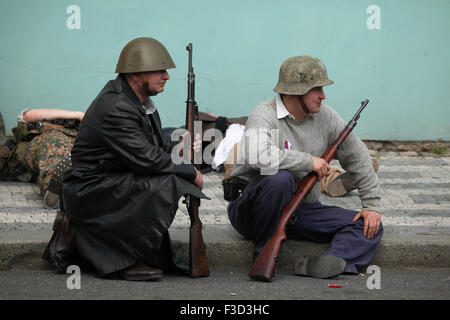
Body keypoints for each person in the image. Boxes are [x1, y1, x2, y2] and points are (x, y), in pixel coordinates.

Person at [60, 37, 206, 281]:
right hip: (89, 190)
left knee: (168, 177)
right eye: (160, 70)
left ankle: (141, 252)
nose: (167, 76)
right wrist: (191, 171)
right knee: (166, 182)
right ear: (136, 75)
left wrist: (178, 146)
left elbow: (148, 147)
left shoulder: (138, 101)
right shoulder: (117, 106)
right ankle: (122, 260)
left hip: (110, 179)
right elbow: (147, 158)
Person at [227, 56, 383, 278]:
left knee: (368, 226)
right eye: (316, 88)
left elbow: (359, 157)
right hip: (252, 212)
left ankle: (322, 263)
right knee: (279, 178)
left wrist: (372, 206)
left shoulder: (326, 117)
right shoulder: (264, 114)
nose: (323, 95)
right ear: (295, 92)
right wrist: (309, 161)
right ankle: (263, 251)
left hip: (299, 210)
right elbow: (257, 155)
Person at [0, 108, 83, 209]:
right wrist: (78, 115)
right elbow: (29, 115)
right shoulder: (47, 131)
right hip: (46, 145)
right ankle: (54, 191)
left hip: (74, 148)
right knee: (54, 148)